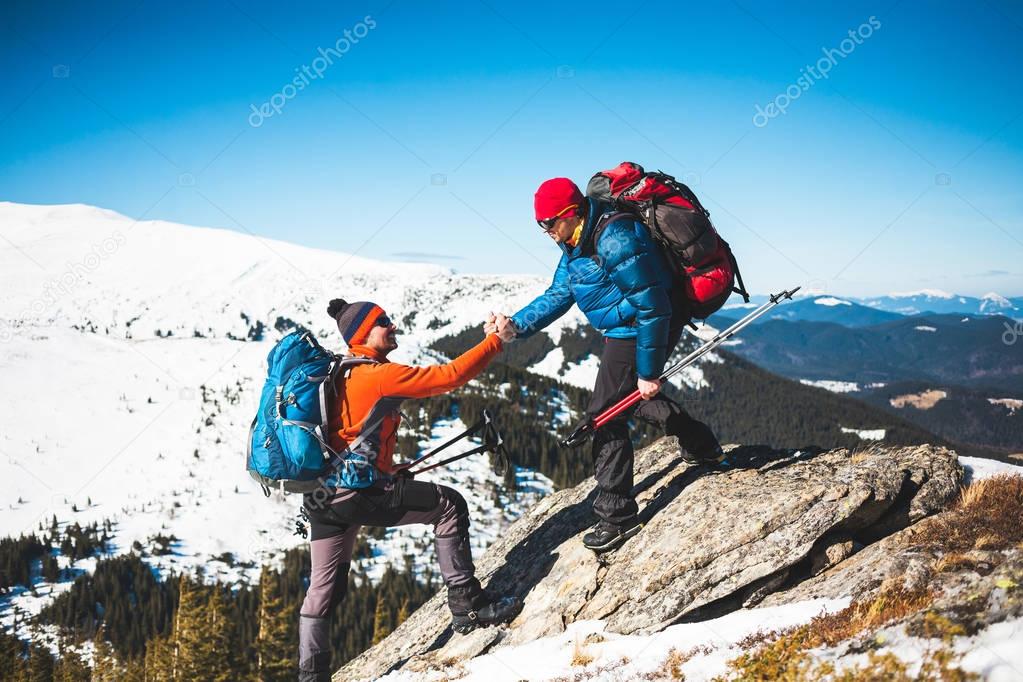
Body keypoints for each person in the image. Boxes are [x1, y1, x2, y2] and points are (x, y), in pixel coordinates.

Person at [298, 299, 521, 682]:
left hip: (322, 498)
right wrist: (494, 342)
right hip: (356, 496)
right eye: (383, 321)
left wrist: (386, 470)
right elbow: (449, 376)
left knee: (322, 589)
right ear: (362, 334)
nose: (393, 325)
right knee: (449, 505)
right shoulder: (377, 376)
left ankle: (310, 675)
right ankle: (468, 606)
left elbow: (346, 435)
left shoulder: (339, 372)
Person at [504, 177, 723, 554]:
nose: (546, 232)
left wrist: (649, 371)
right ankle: (701, 444)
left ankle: (617, 516)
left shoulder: (616, 238)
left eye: (549, 223)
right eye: (541, 225)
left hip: (643, 326)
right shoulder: (575, 242)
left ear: (571, 213)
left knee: (604, 415)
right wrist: (517, 325)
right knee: (630, 399)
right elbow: (560, 292)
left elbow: (653, 305)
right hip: (625, 328)